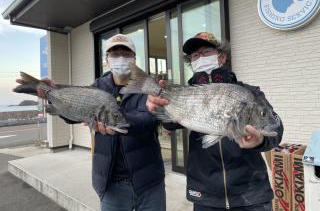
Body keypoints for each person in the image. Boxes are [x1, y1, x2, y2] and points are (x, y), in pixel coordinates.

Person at [23, 34, 166, 211]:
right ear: (107, 60)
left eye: (125, 53)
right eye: (114, 54)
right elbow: (74, 114)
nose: (120, 57)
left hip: (149, 182)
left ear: (134, 58)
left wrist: (114, 119)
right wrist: (52, 95)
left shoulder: (148, 86)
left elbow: (148, 121)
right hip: (110, 183)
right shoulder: (97, 87)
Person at [146, 32, 283, 211]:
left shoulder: (249, 93)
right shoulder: (187, 94)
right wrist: (158, 105)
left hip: (252, 194)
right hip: (205, 195)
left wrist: (261, 141)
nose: (200, 58)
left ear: (222, 56)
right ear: (191, 63)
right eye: (195, 55)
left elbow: (275, 126)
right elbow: (171, 123)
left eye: (207, 52)